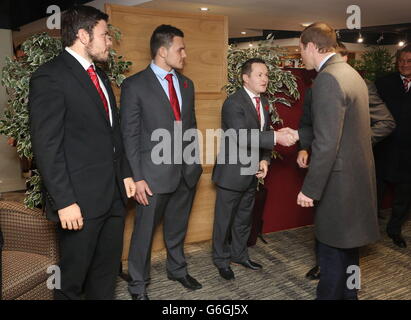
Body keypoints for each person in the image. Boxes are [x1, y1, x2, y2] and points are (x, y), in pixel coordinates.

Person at [29, 5, 135, 300]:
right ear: (83, 35)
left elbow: (114, 132)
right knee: (71, 282)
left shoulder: (99, 75)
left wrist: (125, 173)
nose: (110, 41)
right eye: (104, 34)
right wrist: (64, 201)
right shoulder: (49, 77)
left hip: (113, 197)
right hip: (79, 203)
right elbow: (46, 145)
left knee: (104, 275)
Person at [295, 22, 380, 300]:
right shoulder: (350, 73)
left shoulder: (328, 79)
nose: (300, 55)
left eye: (300, 48)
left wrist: (310, 188)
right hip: (355, 182)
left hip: (339, 187)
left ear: (310, 46)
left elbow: (327, 141)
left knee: (331, 258)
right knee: (348, 256)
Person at [120, 25, 203, 300]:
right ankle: (138, 285)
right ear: (162, 51)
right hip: (151, 176)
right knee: (143, 233)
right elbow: (129, 136)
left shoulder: (187, 84)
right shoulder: (134, 85)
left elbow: (191, 127)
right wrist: (137, 176)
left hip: (186, 173)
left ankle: (177, 269)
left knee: (178, 227)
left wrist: (194, 163)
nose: (185, 54)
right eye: (180, 49)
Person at [211, 58, 297, 280]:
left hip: (252, 171)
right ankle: (221, 259)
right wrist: (277, 137)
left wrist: (266, 160)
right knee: (224, 220)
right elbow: (242, 136)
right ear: (245, 77)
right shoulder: (233, 103)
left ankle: (240, 255)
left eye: (266, 75)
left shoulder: (265, 103)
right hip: (231, 173)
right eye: (260, 74)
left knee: (243, 219)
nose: (265, 79)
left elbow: (264, 131)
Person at [374, 44, 411, 248]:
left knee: (403, 197)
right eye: (401, 61)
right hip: (383, 149)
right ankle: (368, 230)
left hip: (408, 154)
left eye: (408, 61)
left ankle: (394, 230)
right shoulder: (383, 83)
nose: (404, 65)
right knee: (374, 193)